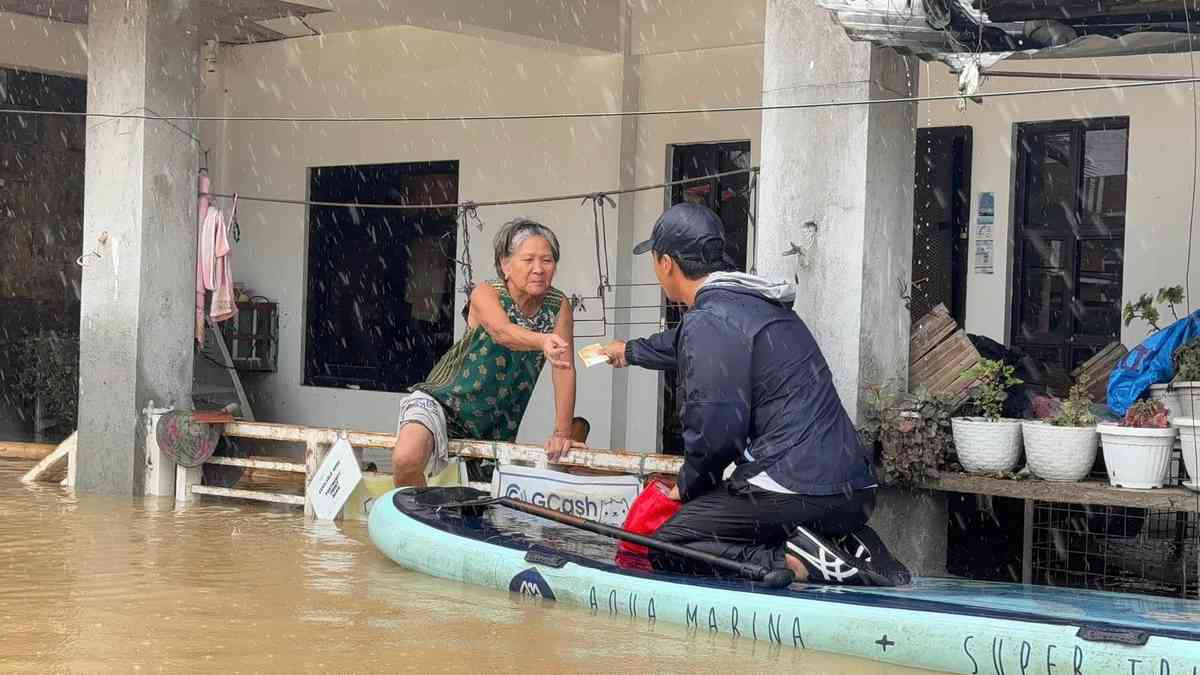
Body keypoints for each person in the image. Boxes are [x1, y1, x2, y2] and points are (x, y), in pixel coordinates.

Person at [601, 203, 910, 586]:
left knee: (669, 545)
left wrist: (688, 484)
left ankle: (796, 561)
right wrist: (628, 352)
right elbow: (683, 343)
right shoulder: (751, 303)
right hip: (852, 491)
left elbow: (717, 430)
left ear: (666, 263)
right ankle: (851, 543)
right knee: (720, 513)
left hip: (795, 485)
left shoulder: (710, 320)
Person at [391, 218, 585, 487]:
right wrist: (542, 340)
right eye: (528, 260)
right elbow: (502, 332)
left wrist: (562, 434)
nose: (539, 269)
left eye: (547, 260)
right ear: (506, 265)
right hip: (444, 400)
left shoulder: (558, 305)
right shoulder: (485, 292)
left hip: (496, 421)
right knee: (406, 458)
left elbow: (564, 367)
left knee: (480, 504)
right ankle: (410, 515)